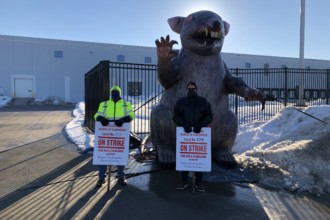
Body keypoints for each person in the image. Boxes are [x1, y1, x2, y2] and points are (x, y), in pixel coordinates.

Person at [172, 82, 213, 192]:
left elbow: (209, 116)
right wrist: (183, 124)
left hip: (199, 134)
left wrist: (201, 124)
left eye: (193, 88)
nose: (191, 90)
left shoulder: (203, 101)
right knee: (185, 158)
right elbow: (175, 116)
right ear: (186, 90)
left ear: (196, 89)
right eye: (189, 89)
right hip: (185, 135)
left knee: (198, 158)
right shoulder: (181, 102)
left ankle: (199, 182)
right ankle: (183, 180)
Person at [94, 85, 135, 187]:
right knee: (103, 156)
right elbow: (96, 115)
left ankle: (121, 177)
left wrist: (124, 120)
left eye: (117, 92)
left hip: (120, 135)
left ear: (120, 93)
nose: (115, 94)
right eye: (113, 92)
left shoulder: (126, 104)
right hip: (106, 135)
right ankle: (101, 178)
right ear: (111, 93)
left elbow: (132, 115)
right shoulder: (104, 104)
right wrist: (101, 118)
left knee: (120, 156)